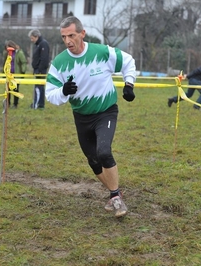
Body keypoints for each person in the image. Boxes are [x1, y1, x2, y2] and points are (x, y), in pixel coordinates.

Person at [45, 16, 136, 218]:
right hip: (82, 116)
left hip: (106, 111)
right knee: (93, 160)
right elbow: (50, 94)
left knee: (104, 152)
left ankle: (115, 197)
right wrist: (63, 91)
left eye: (72, 35)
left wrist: (129, 84)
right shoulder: (59, 63)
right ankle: (116, 194)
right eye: (63, 37)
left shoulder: (101, 52)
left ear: (82, 33)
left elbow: (128, 61)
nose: (68, 41)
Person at [28, 29, 49, 109]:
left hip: (40, 71)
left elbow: (44, 58)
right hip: (37, 69)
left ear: (36, 36)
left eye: (32, 38)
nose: (31, 40)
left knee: (38, 87)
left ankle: (37, 104)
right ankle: (39, 104)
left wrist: (40, 70)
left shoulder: (43, 44)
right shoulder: (38, 44)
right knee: (39, 87)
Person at [5, 40, 27, 108]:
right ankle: (7, 104)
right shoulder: (7, 53)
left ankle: (15, 104)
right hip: (9, 74)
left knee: (15, 90)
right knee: (7, 89)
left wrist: (23, 72)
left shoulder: (19, 53)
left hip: (16, 74)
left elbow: (23, 62)